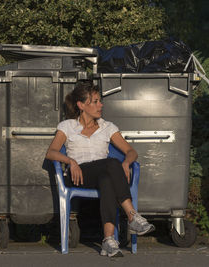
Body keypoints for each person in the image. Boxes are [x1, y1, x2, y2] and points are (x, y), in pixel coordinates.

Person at [46, 81, 155, 257]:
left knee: (107, 179)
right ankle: (132, 216)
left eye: (99, 101)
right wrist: (70, 161)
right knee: (112, 164)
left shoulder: (107, 127)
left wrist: (126, 163)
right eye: (95, 101)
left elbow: (131, 151)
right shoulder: (67, 126)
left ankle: (108, 241)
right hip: (78, 175)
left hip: (103, 174)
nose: (100, 105)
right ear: (81, 105)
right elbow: (51, 153)